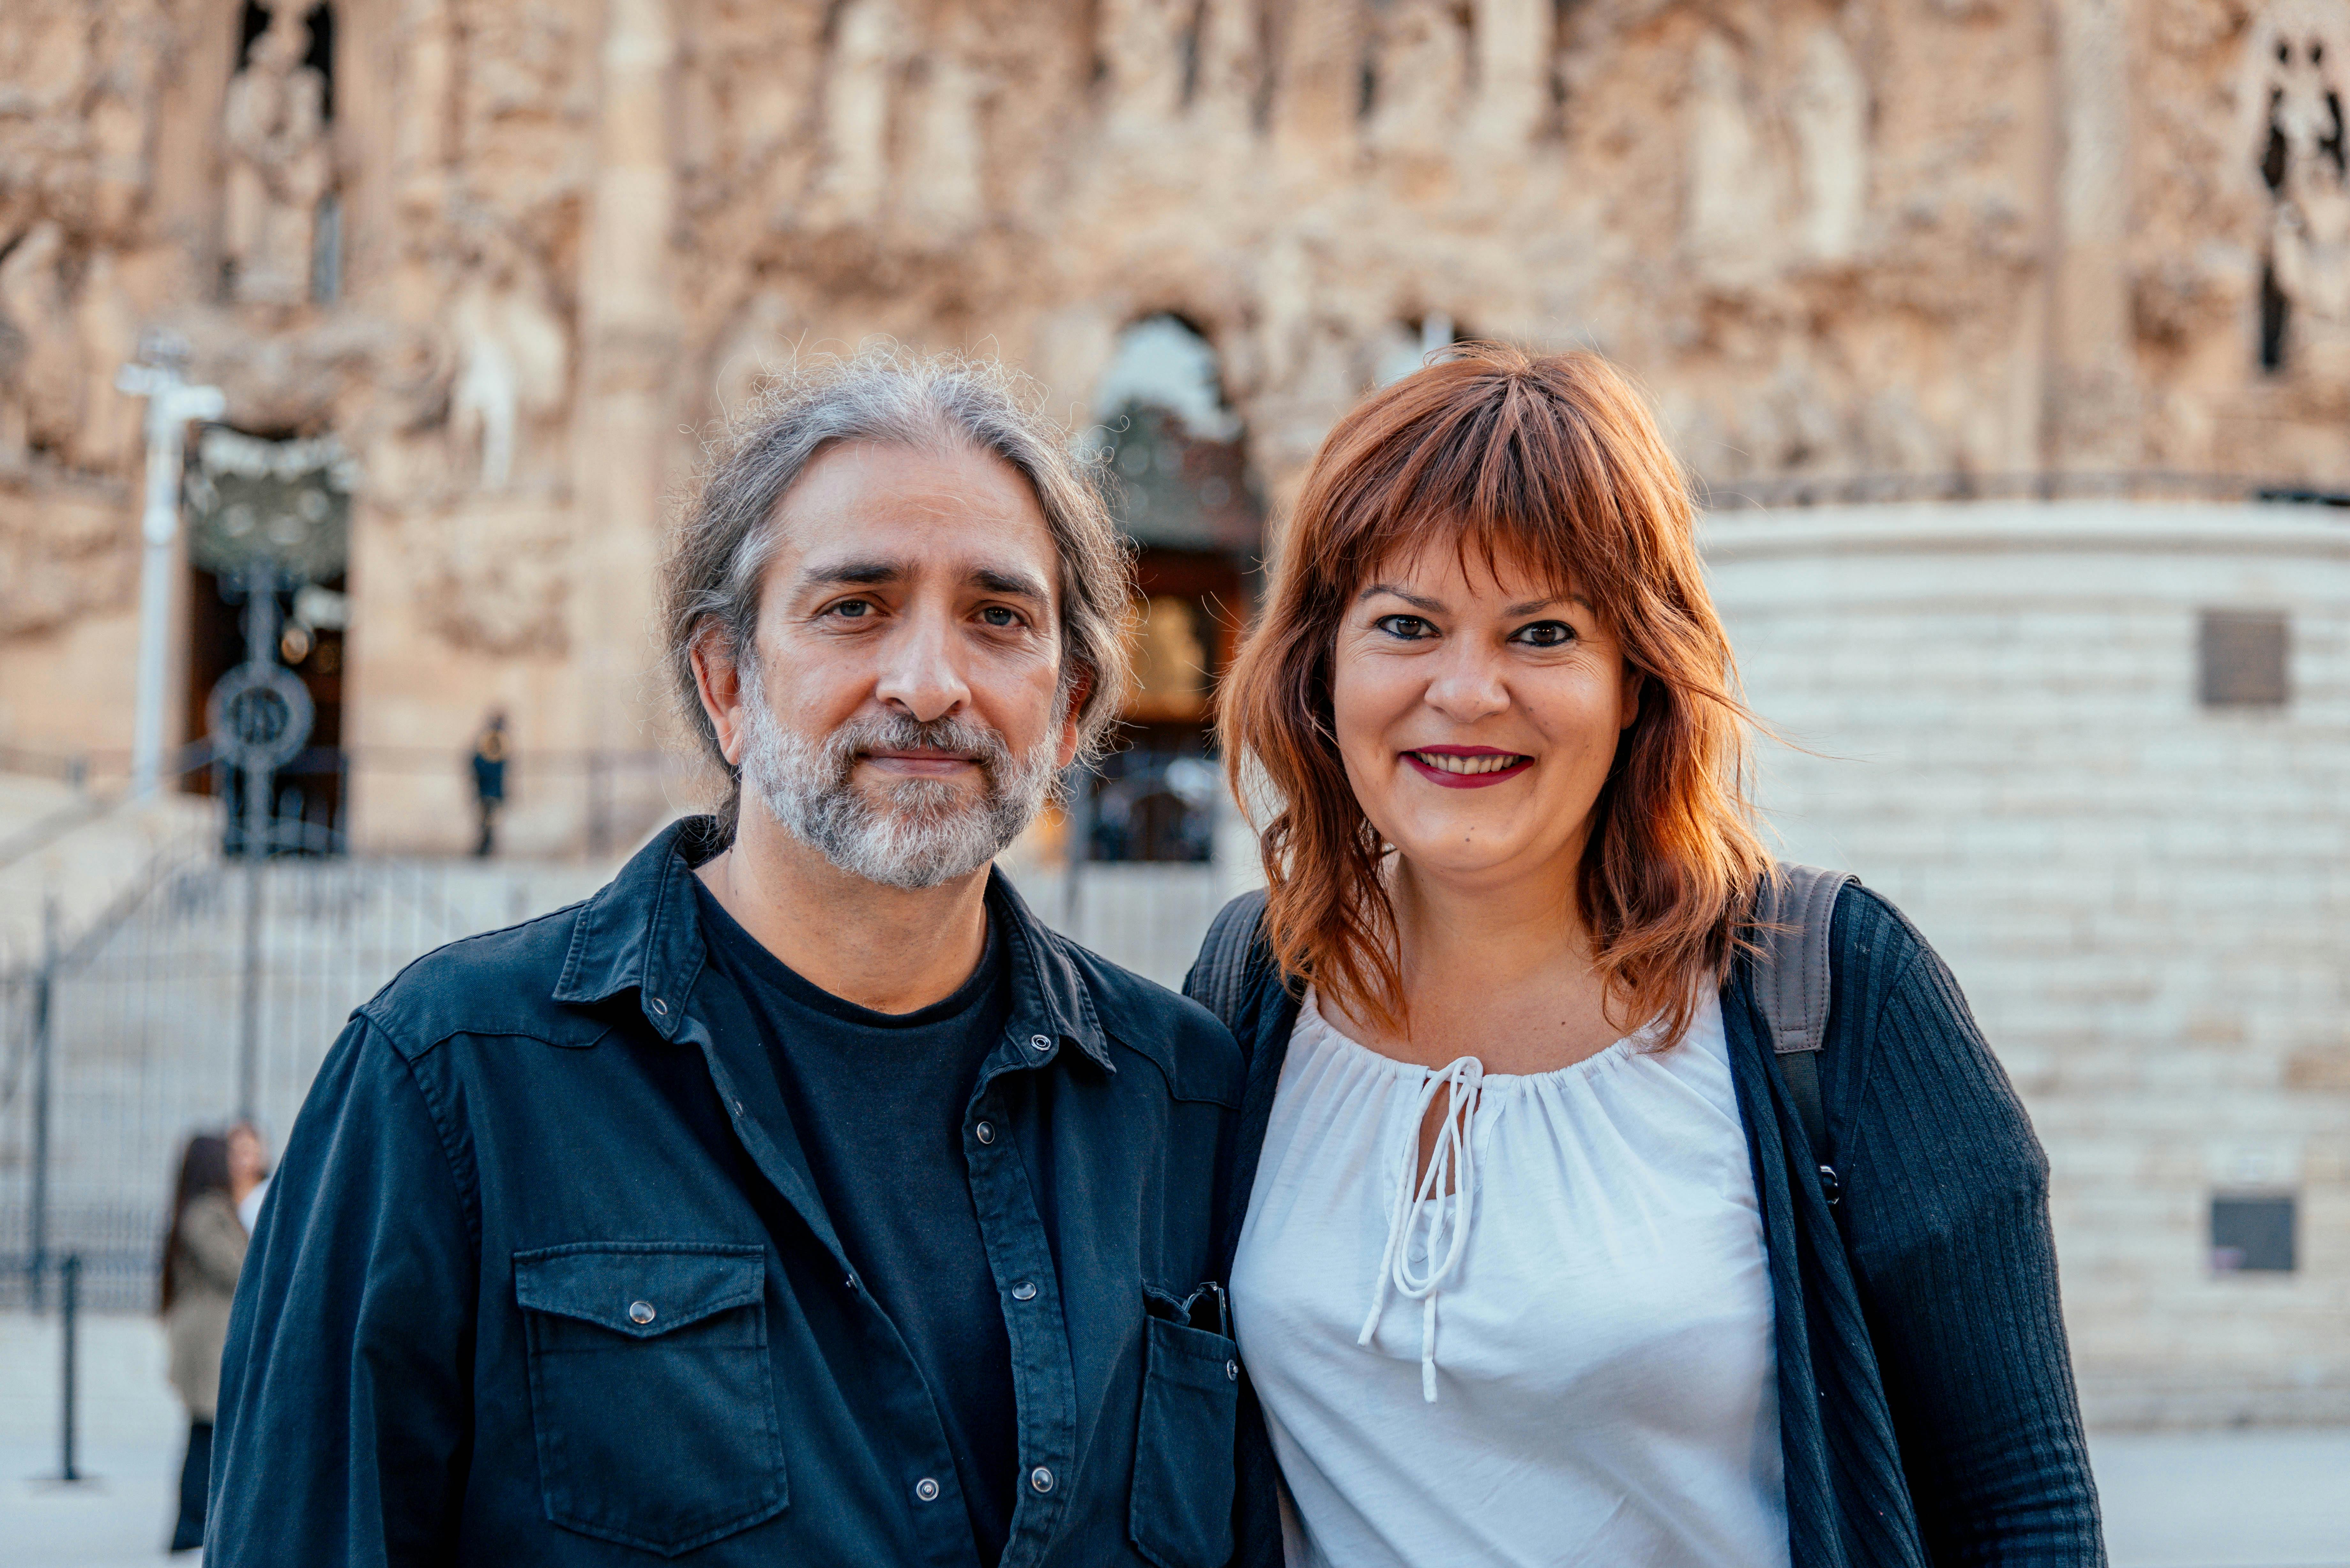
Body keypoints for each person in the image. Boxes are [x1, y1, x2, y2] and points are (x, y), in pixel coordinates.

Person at [209, 347, 1259, 1567]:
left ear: (1069, 706)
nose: (930, 684)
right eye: (854, 606)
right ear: (726, 684)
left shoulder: (1181, 1096)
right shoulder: (450, 1080)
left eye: (999, 618)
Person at [1187, 345, 2104, 1565]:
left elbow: (2024, 1506)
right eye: (1406, 625)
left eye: (1542, 633)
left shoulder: (1837, 992)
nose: (1467, 691)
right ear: (1323, 664)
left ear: (1637, 679)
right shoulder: (1258, 983)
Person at [160, 1131, 260, 1552]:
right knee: (206, 1433)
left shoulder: (205, 1209)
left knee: (206, 1431)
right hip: (206, 1341)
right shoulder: (207, 1213)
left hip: (207, 1336)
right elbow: (235, 1268)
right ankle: (191, 1527)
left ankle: (197, 1524)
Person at [469, 711, 508, 857]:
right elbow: (479, 762)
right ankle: (484, 848)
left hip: (492, 787)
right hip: (487, 787)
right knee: (486, 820)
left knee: (490, 821)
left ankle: (486, 848)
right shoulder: (489, 739)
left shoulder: (500, 740)